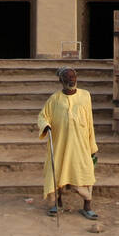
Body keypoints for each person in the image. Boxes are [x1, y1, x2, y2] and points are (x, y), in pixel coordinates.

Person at [37, 65, 99, 219]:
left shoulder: (85, 96)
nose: (71, 79)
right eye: (67, 77)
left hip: (81, 145)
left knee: (84, 173)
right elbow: (43, 116)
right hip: (61, 145)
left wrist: (92, 145)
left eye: (73, 76)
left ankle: (87, 206)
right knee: (57, 172)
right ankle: (57, 204)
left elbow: (90, 122)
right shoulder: (54, 99)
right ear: (61, 80)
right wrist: (46, 126)